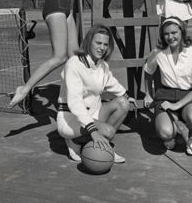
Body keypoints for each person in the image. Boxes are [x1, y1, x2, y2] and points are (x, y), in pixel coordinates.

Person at [57, 24, 137, 163]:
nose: (102, 48)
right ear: (89, 42)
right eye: (98, 43)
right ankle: (74, 141)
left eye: (105, 44)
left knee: (123, 104)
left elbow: (111, 82)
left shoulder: (102, 65)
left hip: (93, 113)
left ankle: (99, 147)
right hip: (71, 119)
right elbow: (75, 103)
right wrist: (93, 131)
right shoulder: (74, 64)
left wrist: (126, 96)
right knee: (108, 131)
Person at [143, 16, 192, 155]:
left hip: (189, 97)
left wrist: (176, 106)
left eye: (174, 33)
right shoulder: (157, 53)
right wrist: (148, 94)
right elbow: (148, 71)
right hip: (165, 97)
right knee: (166, 133)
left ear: (182, 32)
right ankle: (172, 129)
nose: (170, 37)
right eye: (166, 34)